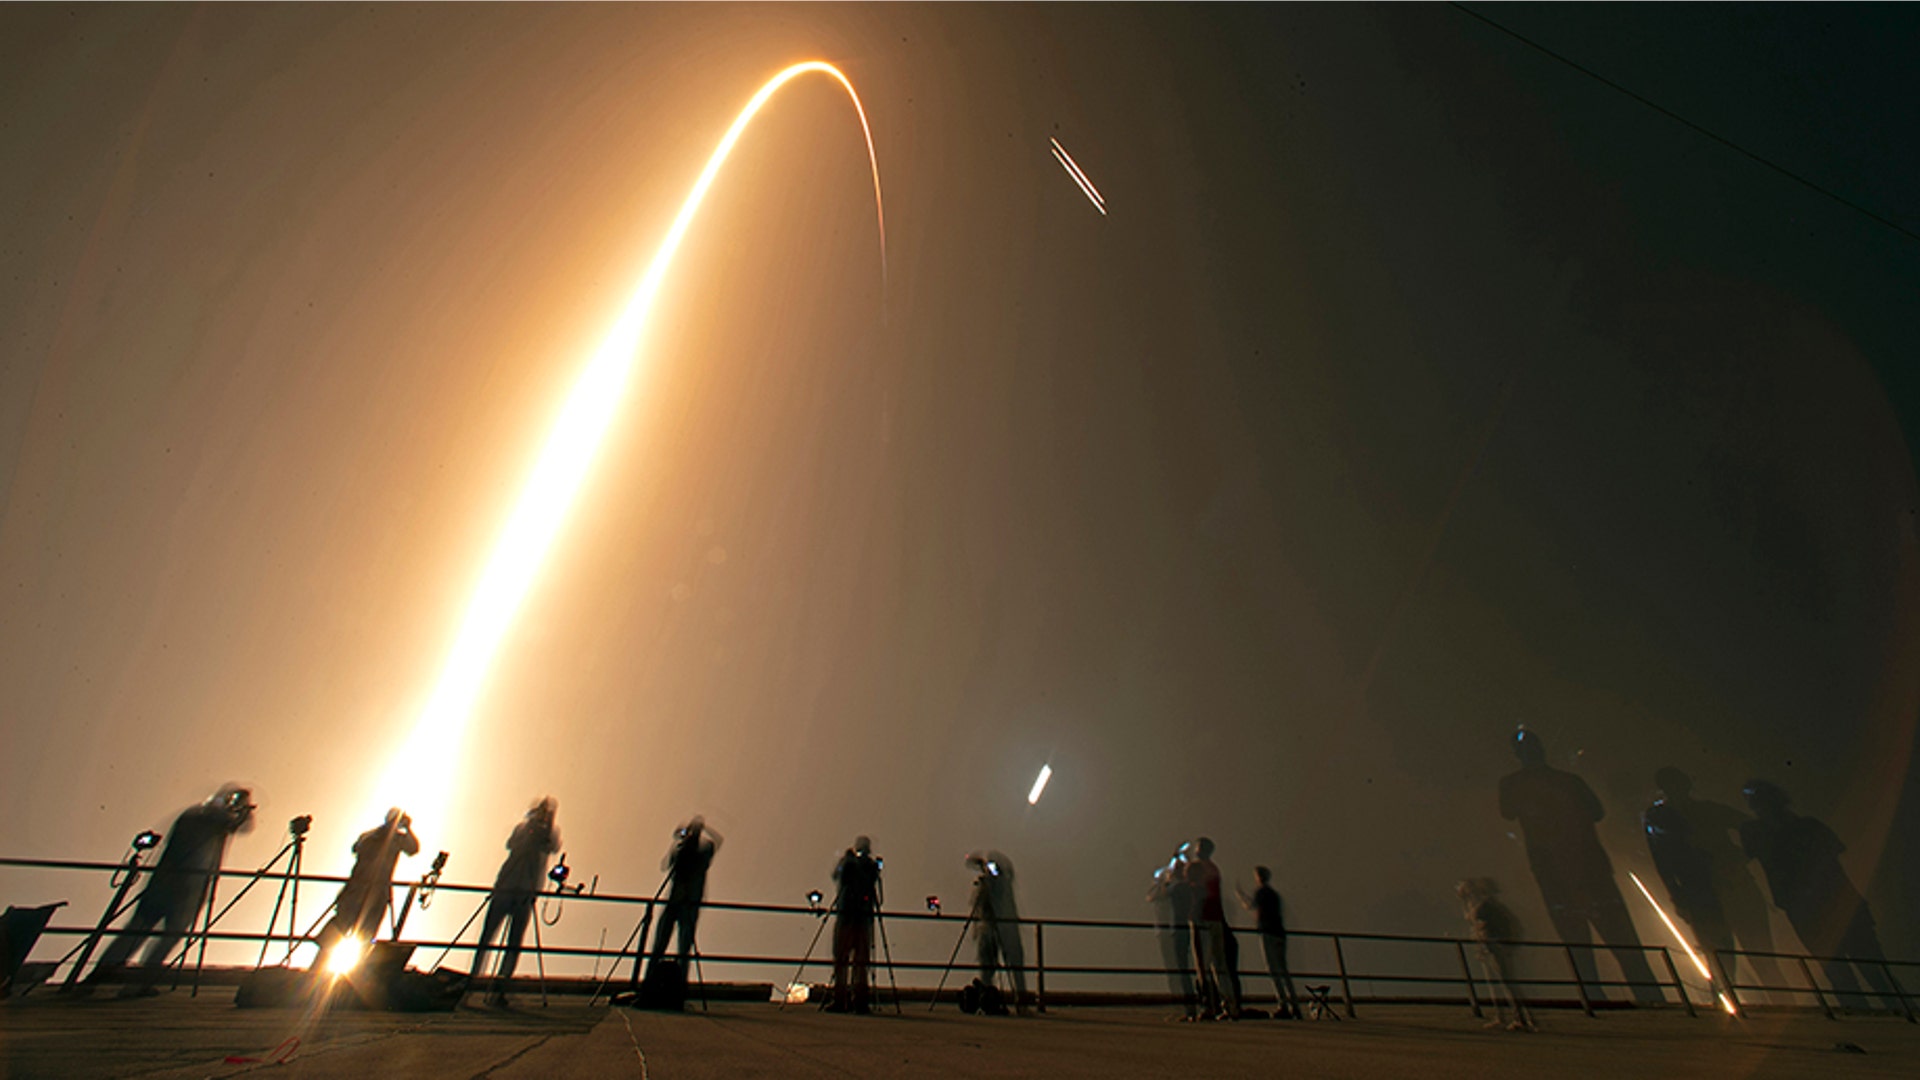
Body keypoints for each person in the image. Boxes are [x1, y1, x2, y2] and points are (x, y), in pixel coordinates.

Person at [1498, 728, 1661, 1004]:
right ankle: (1648, 997)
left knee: (1577, 941)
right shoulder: (1569, 780)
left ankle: (1596, 999)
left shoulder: (1514, 783)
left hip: (1554, 869)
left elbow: (1507, 813)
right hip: (1587, 864)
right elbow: (1597, 812)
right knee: (1620, 937)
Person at [1738, 780, 1899, 1011]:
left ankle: (1867, 1016)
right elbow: (1837, 852)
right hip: (1832, 905)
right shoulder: (1803, 827)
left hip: (1816, 908)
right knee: (1868, 969)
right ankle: (1894, 1016)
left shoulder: (1762, 832)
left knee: (1847, 970)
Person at [84, 784, 256, 996]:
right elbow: (238, 825)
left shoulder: (199, 818)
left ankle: (115, 981)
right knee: (147, 934)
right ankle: (117, 981)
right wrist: (243, 809)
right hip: (181, 887)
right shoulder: (203, 818)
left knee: (148, 934)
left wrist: (242, 810)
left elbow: (240, 827)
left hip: (172, 885)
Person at [1648, 767, 1787, 1000]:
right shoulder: (1698, 811)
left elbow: (1661, 861)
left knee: (1731, 962)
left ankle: (1738, 1012)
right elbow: (1754, 827)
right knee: (1744, 961)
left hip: (1713, 891)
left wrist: (1677, 894)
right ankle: (1779, 1008)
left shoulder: (1668, 815)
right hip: (1716, 890)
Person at [473, 797, 561, 1007]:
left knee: (514, 942)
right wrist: (531, 826)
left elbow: (552, 847)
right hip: (506, 886)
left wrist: (547, 825)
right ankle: (473, 980)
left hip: (526, 891)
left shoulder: (550, 833)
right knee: (487, 936)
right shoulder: (522, 828)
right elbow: (512, 844)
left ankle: (501, 986)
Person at [315, 807, 419, 972]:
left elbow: (413, 849)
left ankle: (356, 971)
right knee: (339, 928)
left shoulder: (396, 839)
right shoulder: (371, 836)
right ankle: (319, 968)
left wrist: (407, 829)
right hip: (357, 890)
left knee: (367, 935)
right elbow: (357, 847)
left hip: (377, 893)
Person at [647, 816, 721, 981]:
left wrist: (702, 829)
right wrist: (681, 835)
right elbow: (666, 864)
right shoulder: (681, 848)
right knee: (659, 945)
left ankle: (679, 986)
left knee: (683, 949)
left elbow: (716, 841)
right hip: (673, 901)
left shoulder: (704, 851)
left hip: (689, 904)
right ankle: (649, 982)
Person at [1458, 877, 1534, 1031]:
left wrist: (1464, 901)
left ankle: (1520, 1018)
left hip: (1493, 947)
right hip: (1493, 947)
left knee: (1506, 983)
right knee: (1500, 984)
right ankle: (1512, 1016)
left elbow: (1470, 917)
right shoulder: (1494, 905)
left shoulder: (1486, 906)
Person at [965, 850, 1028, 1014]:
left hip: (1005, 926)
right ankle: (985, 999)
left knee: (1014, 963)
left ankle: (1021, 1001)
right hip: (988, 927)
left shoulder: (1004, 885)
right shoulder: (988, 886)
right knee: (987, 964)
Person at [1184, 837, 1239, 1019]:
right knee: (1220, 965)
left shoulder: (1197, 868)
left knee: (1202, 965)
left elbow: (1188, 885)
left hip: (1201, 918)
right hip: (1216, 919)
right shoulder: (1214, 868)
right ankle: (1229, 1006)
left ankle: (1207, 1006)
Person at [826, 836, 881, 1014]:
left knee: (846, 960)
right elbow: (837, 875)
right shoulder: (862, 866)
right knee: (858, 962)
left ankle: (844, 1000)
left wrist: (849, 862)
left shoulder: (865, 866)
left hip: (849, 918)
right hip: (859, 919)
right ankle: (857, 1001)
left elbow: (836, 875)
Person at [1237, 866, 1298, 1018]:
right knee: (1283, 970)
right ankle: (1294, 1005)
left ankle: (1282, 1004)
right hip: (1279, 933)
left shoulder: (1260, 892)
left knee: (1272, 970)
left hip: (1267, 933)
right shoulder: (1273, 894)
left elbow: (1251, 906)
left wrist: (1240, 896)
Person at [1147, 848, 1198, 1019]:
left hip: (1171, 931)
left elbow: (1152, 896)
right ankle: (1185, 1005)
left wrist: (1161, 881)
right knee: (1180, 969)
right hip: (1172, 930)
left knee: (1177, 970)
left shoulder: (1175, 889)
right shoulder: (1184, 887)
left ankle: (1185, 1007)